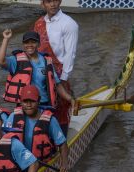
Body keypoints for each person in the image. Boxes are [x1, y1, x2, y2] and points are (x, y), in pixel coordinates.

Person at [0, 30, 75, 117]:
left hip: (44, 104)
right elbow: (0, 61)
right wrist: (6, 39)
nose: (30, 45)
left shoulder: (46, 61)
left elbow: (57, 84)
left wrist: (70, 98)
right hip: (26, 106)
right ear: (23, 45)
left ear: (39, 44)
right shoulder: (16, 60)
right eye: (26, 42)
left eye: (33, 42)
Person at [33, 0, 79, 134]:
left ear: (60, 2)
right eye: (48, 1)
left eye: (55, 0)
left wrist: (64, 79)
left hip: (59, 74)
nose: (52, 4)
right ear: (43, 4)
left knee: (61, 111)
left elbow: (71, 54)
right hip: (40, 74)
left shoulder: (69, 24)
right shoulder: (39, 23)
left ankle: (62, 140)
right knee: (40, 108)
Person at [5, 85, 69, 172]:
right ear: (20, 101)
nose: (28, 105)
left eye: (32, 101)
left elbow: (62, 144)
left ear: (38, 100)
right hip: (20, 163)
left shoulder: (50, 120)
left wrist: (64, 164)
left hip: (41, 164)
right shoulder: (13, 117)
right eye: (25, 101)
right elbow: (4, 139)